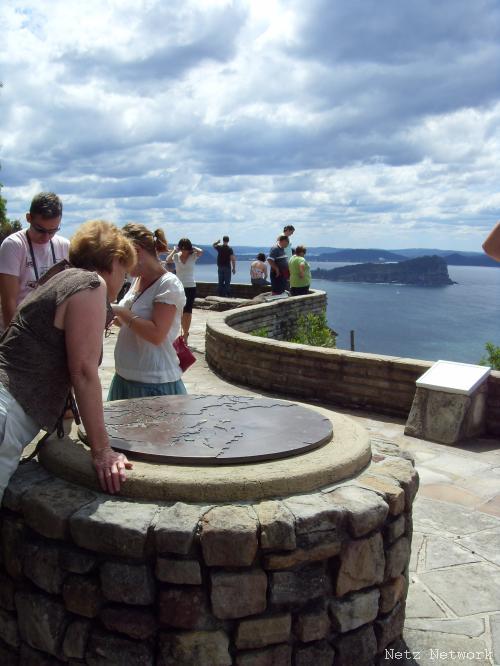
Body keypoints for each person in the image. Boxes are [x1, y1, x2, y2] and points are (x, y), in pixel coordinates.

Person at [0, 220, 137, 502]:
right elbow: (84, 371)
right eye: (124, 272)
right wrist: (102, 451)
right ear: (113, 260)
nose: (124, 282)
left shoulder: (60, 279)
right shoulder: (90, 283)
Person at [107, 225, 187, 400]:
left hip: (153, 383)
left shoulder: (168, 285)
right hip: (126, 376)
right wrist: (115, 316)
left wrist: (120, 311)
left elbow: (157, 334)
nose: (120, 264)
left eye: (121, 258)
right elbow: (131, 323)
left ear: (136, 251)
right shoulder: (137, 280)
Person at [0, 192, 70, 331]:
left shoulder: (64, 245)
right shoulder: (14, 245)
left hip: (49, 331)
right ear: (28, 218)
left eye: (52, 231)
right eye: (40, 230)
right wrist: (14, 339)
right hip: (19, 328)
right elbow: (9, 302)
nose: (46, 237)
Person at [167, 238, 203, 343]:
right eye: (182, 248)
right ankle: (182, 332)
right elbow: (168, 259)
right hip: (179, 287)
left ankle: (186, 333)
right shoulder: (176, 256)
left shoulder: (193, 256)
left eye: (186, 248)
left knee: (188, 311)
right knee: (179, 311)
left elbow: (201, 251)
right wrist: (175, 250)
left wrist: (193, 248)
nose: (184, 250)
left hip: (190, 286)